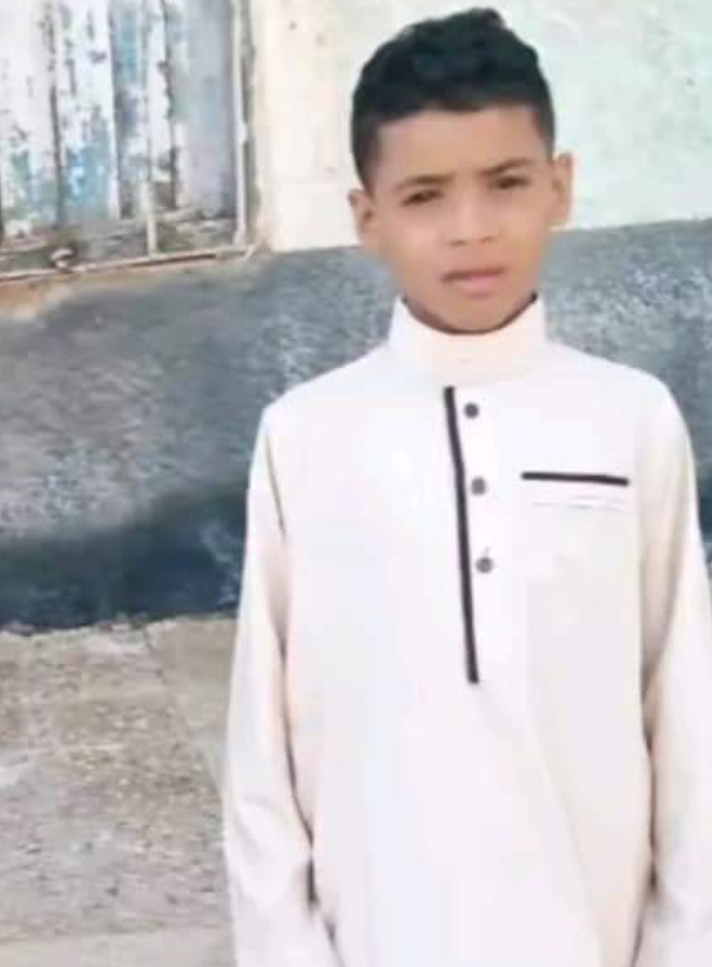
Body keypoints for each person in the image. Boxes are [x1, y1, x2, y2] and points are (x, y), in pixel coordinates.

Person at [221, 8, 712, 967]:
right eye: (424, 196)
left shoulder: (630, 419)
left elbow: (687, 716)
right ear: (367, 217)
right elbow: (261, 761)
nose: (471, 228)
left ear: (560, 187)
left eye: (507, 183)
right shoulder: (306, 436)